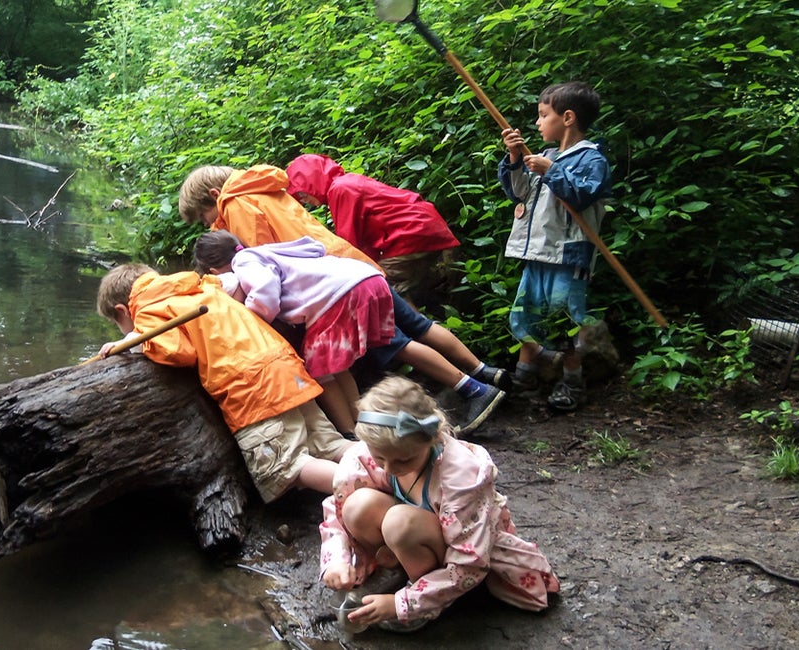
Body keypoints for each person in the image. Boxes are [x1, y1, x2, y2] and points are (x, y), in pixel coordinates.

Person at [179, 164, 508, 435]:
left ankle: (472, 390)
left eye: (207, 218)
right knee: (416, 326)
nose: (213, 223)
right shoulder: (265, 188)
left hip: (332, 288)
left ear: (214, 195)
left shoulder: (236, 204)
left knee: (394, 342)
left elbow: (259, 256)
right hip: (350, 266)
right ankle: (483, 372)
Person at [319, 375, 559, 632]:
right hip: (419, 535)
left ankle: (424, 595)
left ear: (431, 439)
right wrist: (336, 560)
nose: (390, 468)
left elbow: (470, 561)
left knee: (399, 523)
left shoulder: (460, 478)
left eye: (404, 460)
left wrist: (402, 604)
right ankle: (404, 568)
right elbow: (338, 510)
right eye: (380, 458)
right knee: (355, 505)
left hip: (458, 553)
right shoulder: (369, 453)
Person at [96, 263, 352, 503]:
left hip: (252, 386)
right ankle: (380, 468)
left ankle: (364, 485)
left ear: (121, 311)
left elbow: (178, 352)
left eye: (116, 324)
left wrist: (136, 340)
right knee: (331, 445)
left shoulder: (150, 308)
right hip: (285, 368)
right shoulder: (198, 287)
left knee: (291, 466)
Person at [192, 230, 395, 436]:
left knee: (318, 372)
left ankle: (349, 432)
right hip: (363, 278)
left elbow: (265, 290)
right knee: (334, 367)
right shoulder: (266, 252)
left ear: (214, 271)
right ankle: (360, 421)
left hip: (337, 296)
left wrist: (253, 320)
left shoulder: (244, 261)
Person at [499, 80, 612, 412]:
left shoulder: (592, 159)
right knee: (526, 315)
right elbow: (518, 193)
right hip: (537, 252)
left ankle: (573, 383)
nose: (537, 122)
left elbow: (580, 195)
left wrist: (553, 170)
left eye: (543, 114)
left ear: (567, 118)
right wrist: (515, 157)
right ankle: (524, 377)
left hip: (568, 254)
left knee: (565, 320)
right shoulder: (543, 156)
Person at [285, 153, 460, 310]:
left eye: (303, 193)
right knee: (437, 290)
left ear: (312, 181)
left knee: (381, 286)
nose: (305, 200)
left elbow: (350, 245)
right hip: (426, 227)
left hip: (411, 234)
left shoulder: (340, 189)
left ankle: (419, 337)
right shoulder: (349, 182)